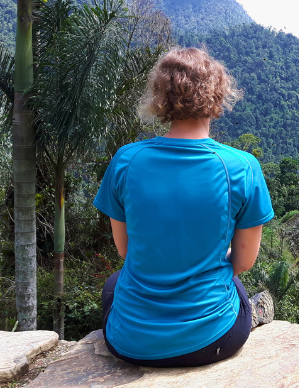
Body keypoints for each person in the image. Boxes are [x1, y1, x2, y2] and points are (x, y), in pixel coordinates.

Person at [93, 47, 275, 367]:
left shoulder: (126, 160)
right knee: (233, 282)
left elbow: (126, 251)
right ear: (218, 94)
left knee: (113, 283)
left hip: (129, 342)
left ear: (161, 97)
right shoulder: (242, 167)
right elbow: (244, 261)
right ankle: (256, 312)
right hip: (213, 341)